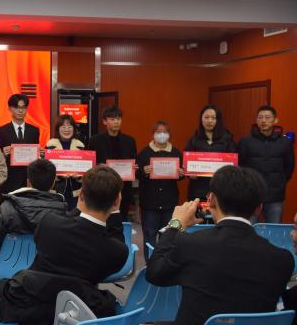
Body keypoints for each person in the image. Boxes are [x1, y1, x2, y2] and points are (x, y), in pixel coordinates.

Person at [144, 166, 294, 325]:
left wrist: (175, 225)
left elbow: (155, 273)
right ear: (259, 208)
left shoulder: (191, 243)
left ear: (212, 199)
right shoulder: (283, 260)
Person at [0, 165, 128, 325]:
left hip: (30, 311)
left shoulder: (49, 223)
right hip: (76, 320)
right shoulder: (116, 251)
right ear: (117, 201)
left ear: (81, 196)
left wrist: (79, 208)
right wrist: (115, 214)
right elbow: (116, 243)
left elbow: (66, 224)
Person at [0, 158, 67, 260]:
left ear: (28, 182)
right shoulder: (63, 212)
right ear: (53, 183)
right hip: (46, 267)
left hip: (5, 267)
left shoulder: (8, 208)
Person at [238, 105, 294, 223]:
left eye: (267, 117)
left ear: (275, 120)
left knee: (274, 228)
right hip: (251, 195)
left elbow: (289, 167)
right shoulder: (245, 141)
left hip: (275, 195)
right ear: (256, 120)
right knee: (248, 227)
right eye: (260, 117)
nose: (263, 120)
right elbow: (240, 166)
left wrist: (280, 182)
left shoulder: (285, 142)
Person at [136, 121, 183, 260]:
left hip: (169, 202)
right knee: (149, 234)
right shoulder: (144, 153)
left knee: (167, 236)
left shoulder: (176, 152)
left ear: (169, 134)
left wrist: (181, 174)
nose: (162, 134)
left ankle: (164, 264)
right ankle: (150, 264)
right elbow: (137, 173)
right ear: (153, 134)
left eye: (165, 132)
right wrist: (143, 171)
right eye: (158, 132)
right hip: (150, 202)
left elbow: (181, 175)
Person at [87, 105, 137, 217]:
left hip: (123, 188)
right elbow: (90, 165)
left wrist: (135, 167)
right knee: (101, 218)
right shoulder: (95, 140)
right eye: (112, 119)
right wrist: (99, 166)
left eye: (118, 119)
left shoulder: (129, 141)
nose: (116, 122)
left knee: (121, 219)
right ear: (105, 121)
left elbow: (134, 161)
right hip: (102, 186)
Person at [185, 104, 236, 200]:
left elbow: (233, 166)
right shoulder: (194, 139)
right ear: (201, 119)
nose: (209, 121)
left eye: (213, 118)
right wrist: (189, 172)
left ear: (218, 120)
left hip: (221, 189)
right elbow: (186, 164)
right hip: (197, 190)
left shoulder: (227, 139)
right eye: (206, 117)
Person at [0, 94, 41, 194]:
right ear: (10, 109)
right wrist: (3, 154)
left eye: (23, 107)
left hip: (28, 179)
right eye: (16, 107)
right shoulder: (1, 131)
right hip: (9, 179)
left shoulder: (34, 130)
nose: (20, 111)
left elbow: (36, 157)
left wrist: (39, 153)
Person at [45, 114, 85, 210]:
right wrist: (58, 175)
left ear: (74, 129)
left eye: (69, 127)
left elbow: (87, 171)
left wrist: (79, 176)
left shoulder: (81, 147)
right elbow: (44, 171)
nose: (66, 129)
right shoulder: (49, 146)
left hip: (75, 193)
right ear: (58, 129)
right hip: (55, 192)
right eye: (63, 127)